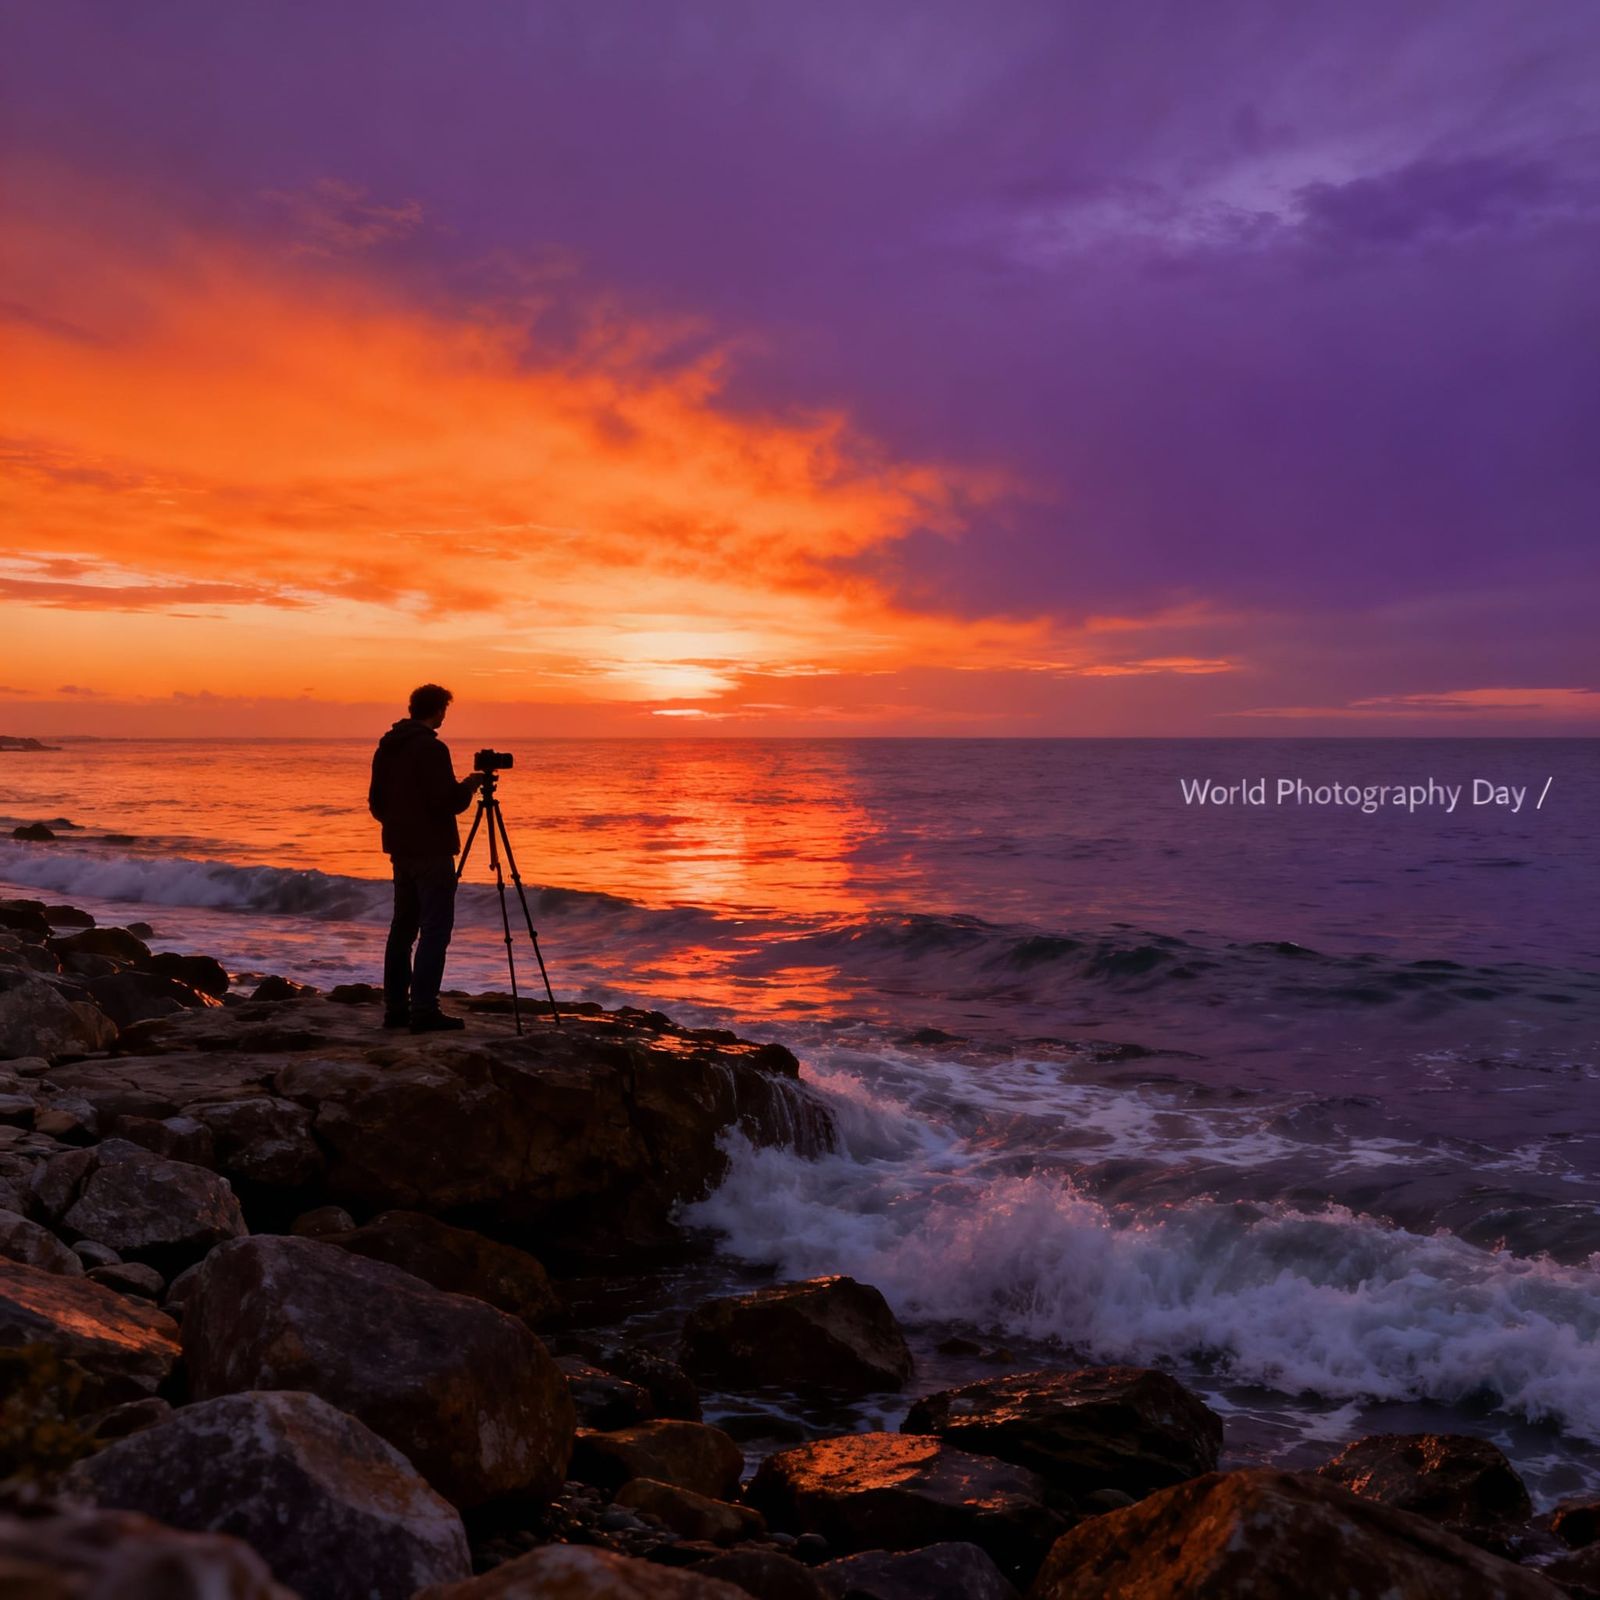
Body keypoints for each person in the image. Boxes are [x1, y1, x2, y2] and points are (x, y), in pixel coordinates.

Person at [368, 683, 482, 1032]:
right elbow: (447, 802)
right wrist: (470, 784)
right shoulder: (432, 749)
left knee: (402, 930)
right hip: (432, 851)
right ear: (438, 710)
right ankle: (424, 1010)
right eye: (444, 710)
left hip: (400, 850)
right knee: (435, 930)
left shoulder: (387, 747)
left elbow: (376, 804)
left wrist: (401, 825)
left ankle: (395, 1009)